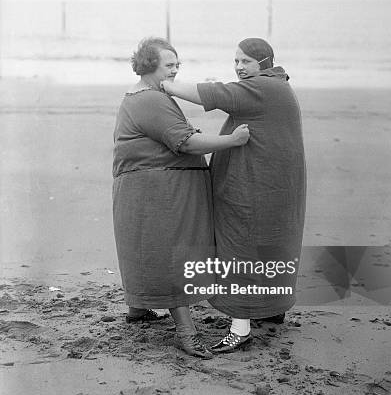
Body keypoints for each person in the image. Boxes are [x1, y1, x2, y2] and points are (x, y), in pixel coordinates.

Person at [161, 37, 306, 353]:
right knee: (271, 246)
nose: (239, 67)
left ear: (263, 63)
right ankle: (272, 308)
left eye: (246, 62)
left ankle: (240, 329)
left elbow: (208, 95)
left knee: (240, 248)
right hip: (276, 188)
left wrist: (166, 85)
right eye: (236, 61)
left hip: (254, 190)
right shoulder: (277, 86)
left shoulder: (261, 88)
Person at [112, 37, 250, 359]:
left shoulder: (141, 95)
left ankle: (138, 309)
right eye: (169, 66)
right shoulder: (149, 100)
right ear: (149, 67)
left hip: (145, 188)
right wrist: (233, 140)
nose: (176, 71)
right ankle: (186, 330)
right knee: (171, 255)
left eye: (178, 65)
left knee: (150, 249)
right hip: (157, 191)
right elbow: (187, 142)